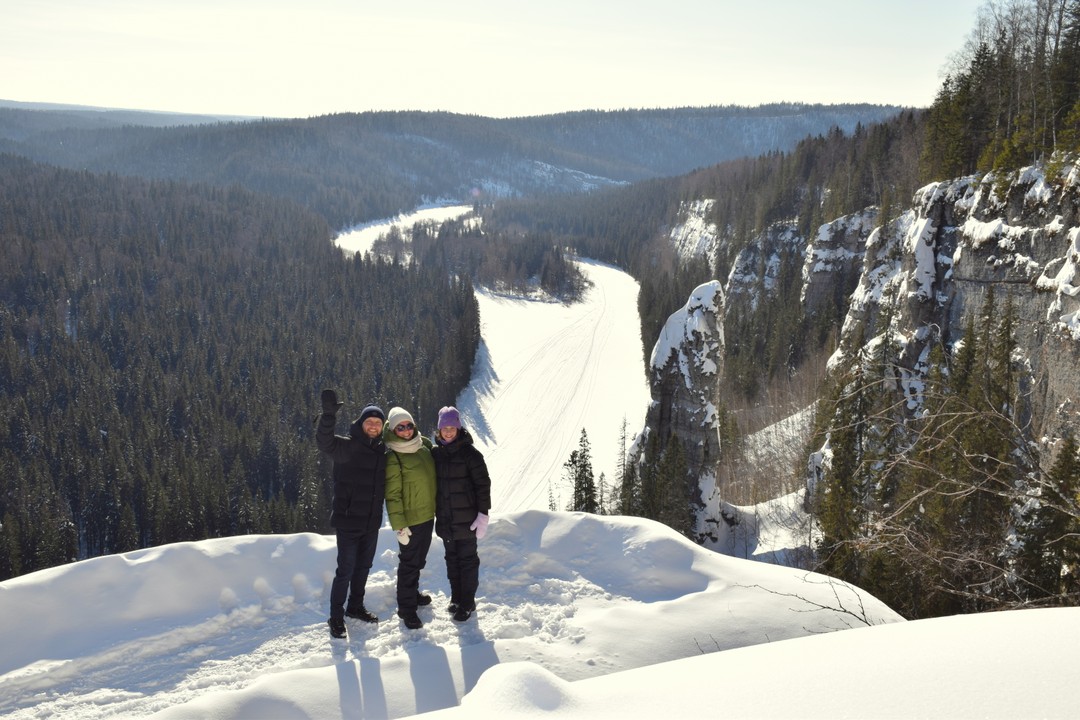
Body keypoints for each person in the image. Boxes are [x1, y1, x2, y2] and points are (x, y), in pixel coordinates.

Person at [316, 390, 387, 640]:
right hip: (348, 521)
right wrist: (327, 417)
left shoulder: (383, 452)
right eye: (369, 421)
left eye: (378, 423)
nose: (373, 426)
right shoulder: (346, 446)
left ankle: (355, 607)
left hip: (371, 522)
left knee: (364, 567)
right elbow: (325, 443)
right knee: (345, 570)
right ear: (361, 423)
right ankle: (336, 618)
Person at [431, 406, 491, 622]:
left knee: (467, 561)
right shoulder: (435, 454)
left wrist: (483, 515)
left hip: (467, 520)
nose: (448, 431)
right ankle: (456, 598)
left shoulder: (471, 454)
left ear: (458, 428)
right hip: (446, 520)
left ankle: (468, 602)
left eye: (452, 427)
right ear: (439, 430)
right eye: (444, 428)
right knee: (451, 560)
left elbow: (482, 485)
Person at [383, 406, 437, 630]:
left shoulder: (423, 445)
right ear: (393, 430)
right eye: (400, 427)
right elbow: (393, 495)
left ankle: (413, 594)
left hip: (427, 515)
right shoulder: (394, 455)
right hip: (410, 520)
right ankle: (406, 609)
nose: (405, 430)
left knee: (419, 560)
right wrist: (399, 527)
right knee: (409, 563)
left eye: (409, 425)